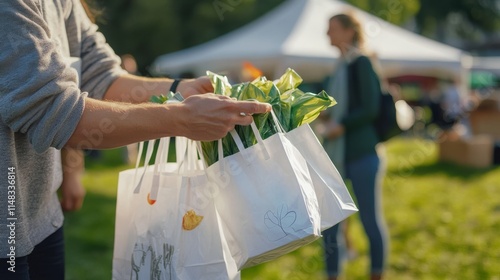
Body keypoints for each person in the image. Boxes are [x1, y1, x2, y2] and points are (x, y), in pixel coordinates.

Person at [0, 1, 271, 279]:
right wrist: (180, 119)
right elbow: (54, 114)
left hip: (43, 220)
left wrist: (179, 89)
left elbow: (100, 76)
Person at [319, 12, 388, 280]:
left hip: (362, 153)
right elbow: (340, 107)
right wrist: (325, 115)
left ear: (349, 31)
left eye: (332, 28)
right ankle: (333, 274)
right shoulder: (339, 67)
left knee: (369, 220)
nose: (327, 34)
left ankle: (377, 273)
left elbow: (370, 108)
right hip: (337, 155)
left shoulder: (361, 63)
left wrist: (341, 125)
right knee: (331, 223)